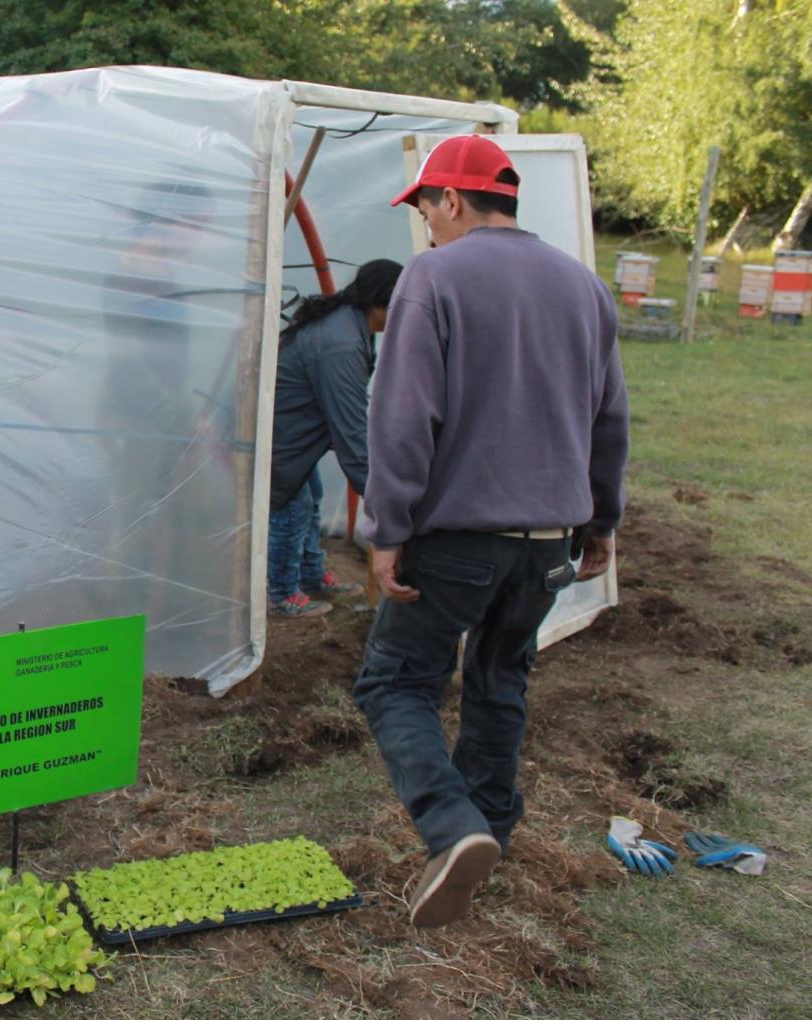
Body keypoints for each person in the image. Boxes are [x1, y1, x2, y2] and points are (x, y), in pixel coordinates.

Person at [352, 135, 628, 928]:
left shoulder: (433, 277)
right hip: (548, 542)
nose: (426, 225)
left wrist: (387, 527)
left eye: (426, 208)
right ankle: (485, 843)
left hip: (459, 539)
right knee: (501, 679)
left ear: (453, 201)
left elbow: (404, 416)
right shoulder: (584, 286)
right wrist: (601, 519)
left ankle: (452, 828)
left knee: (395, 683)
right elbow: (608, 419)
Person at [268, 259, 403, 618]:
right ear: (382, 302)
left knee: (310, 498)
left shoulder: (352, 323)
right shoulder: (341, 343)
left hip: (296, 434)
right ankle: (282, 593)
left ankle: (312, 575)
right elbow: (351, 435)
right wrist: (383, 506)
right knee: (290, 510)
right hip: (283, 437)